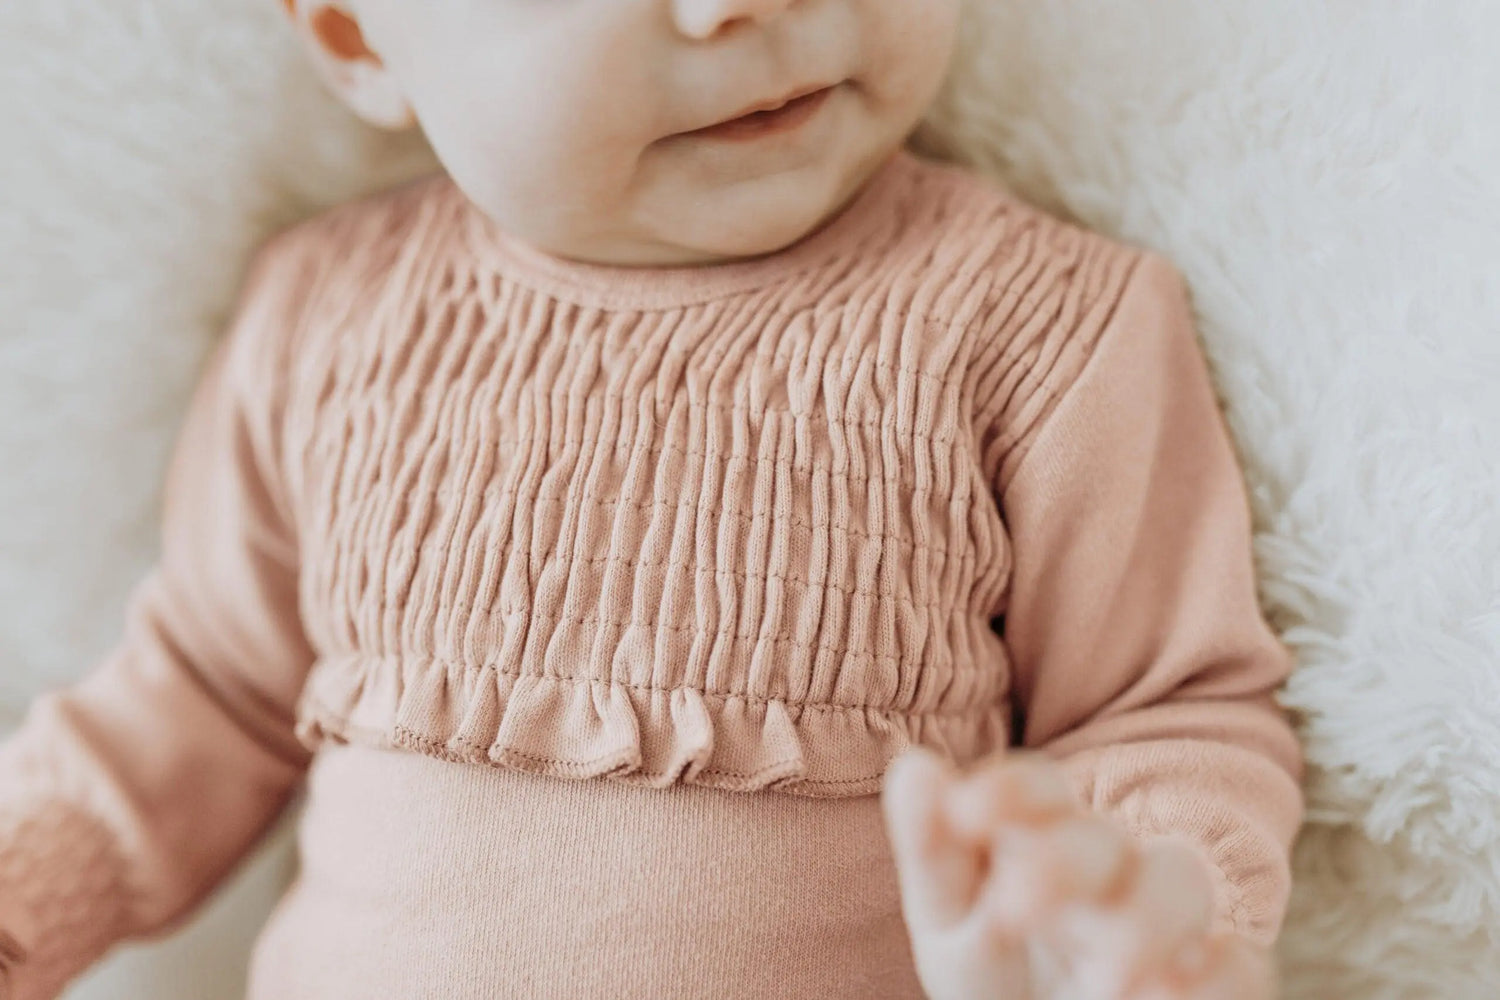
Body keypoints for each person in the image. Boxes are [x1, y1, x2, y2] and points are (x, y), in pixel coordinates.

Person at [0, 1, 1304, 997]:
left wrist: (1145, 914)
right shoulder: (323, 318)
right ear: (356, 37)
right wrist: (28, 893)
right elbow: (202, 698)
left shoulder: (1042, 328)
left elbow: (1163, 710)